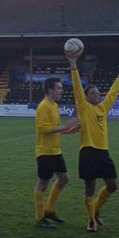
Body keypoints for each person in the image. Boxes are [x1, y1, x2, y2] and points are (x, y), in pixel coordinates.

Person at [65, 49, 119, 232]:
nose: (98, 96)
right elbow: (76, 87)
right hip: (88, 151)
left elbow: (113, 94)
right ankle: (91, 220)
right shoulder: (84, 107)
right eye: (94, 94)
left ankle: (96, 210)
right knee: (89, 187)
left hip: (103, 151)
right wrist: (73, 64)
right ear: (86, 96)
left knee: (112, 185)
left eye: (99, 94)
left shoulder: (103, 108)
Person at [34, 76, 80, 229]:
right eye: (59, 88)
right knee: (43, 183)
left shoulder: (54, 106)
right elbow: (44, 129)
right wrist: (66, 127)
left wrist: (71, 130)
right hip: (45, 151)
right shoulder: (44, 106)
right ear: (50, 89)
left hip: (55, 151)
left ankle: (49, 210)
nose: (61, 90)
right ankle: (40, 218)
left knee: (64, 179)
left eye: (61, 88)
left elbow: (56, 130)